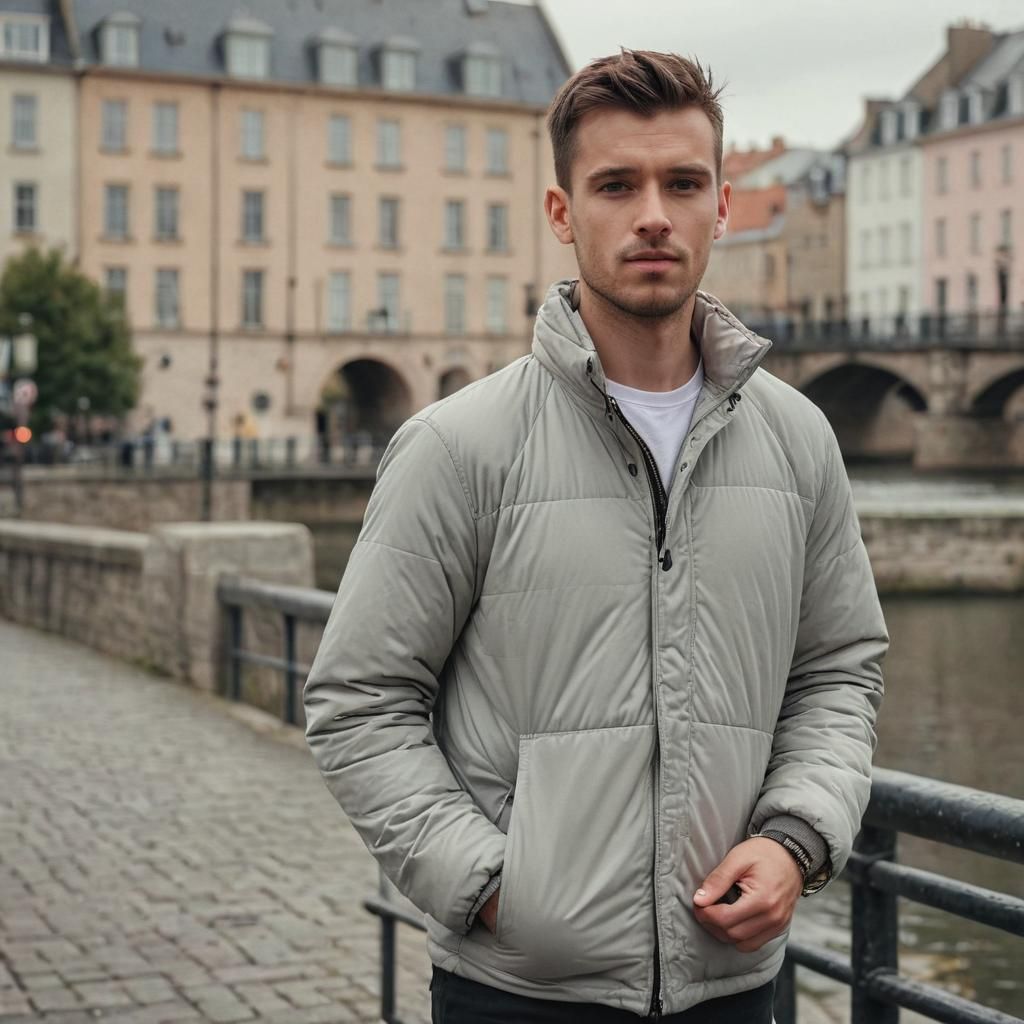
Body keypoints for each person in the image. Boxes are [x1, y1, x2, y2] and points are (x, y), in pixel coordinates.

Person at [304, 49, 887, 1023]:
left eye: (682, 182)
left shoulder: (797, 440)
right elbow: (357, 700)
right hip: (517, 987)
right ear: (563, 213)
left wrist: (795, 838)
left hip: (732, 985)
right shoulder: (458, 445)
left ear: (723, 206)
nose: (652, 212)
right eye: (616, 184)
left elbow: (839, 670)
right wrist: (491, 882)